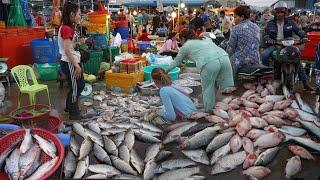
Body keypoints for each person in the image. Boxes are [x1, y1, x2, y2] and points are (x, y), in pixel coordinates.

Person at [167, 29, 235, 113]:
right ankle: (213, 108)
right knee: (215, 85)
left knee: (207, 89)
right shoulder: (204, 38)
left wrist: (165, 71)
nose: (180, 42)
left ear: (184, 38)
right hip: (224, 58)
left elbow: (176, 62)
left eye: (180, 40)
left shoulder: (186, 46)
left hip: (210, 63)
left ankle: (208, 112)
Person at [261, 1, 313, 91]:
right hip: (275, 44)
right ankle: (266, 77)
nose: (280, 14)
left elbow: (299, 31)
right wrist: (268, 39)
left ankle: (305, 83)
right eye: (278, 12)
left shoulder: (291, 22)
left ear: (285, 13)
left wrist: (304, 37)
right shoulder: (270, 23)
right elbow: (265, 34)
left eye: (282, 12)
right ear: (275, 13)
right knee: (264, 55)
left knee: (297, 59)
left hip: (287, 44)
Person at [58, 1, 85, 120]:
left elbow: (68, 45)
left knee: (78, 85)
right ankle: (73, 113)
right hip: (69, 62)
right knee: (77, 86)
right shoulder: (66, 28)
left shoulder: (68, 27)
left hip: (70, 61)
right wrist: (76, 66)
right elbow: (68, 51)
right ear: (72, 14)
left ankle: (69, 106)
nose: (80, 16)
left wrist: (78, 42)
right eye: (79, 14)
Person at [226, 5, 261, 75]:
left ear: (242, 17)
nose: (234, 19)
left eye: (235, 17)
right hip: (256, 59)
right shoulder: (256, 27)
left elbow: (230, 48)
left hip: (240, 60)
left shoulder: (236, 29)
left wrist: (226, 57)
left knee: (227, 70)